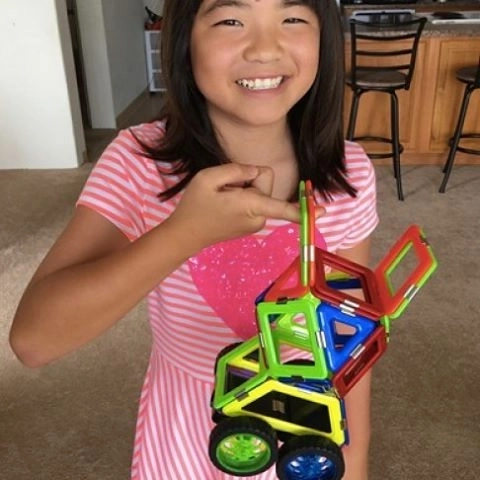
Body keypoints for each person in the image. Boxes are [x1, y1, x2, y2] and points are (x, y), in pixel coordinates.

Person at [10, 0, 378, 479]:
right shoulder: (139, 163)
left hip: (305, 438)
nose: (265, 49)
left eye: (292, 18)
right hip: (183, 432)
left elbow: (352, 342)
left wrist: (355, 455)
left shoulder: (349, 173)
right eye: (230, 20)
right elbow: (34, 340)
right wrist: (185, 233)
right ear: (185, 40)